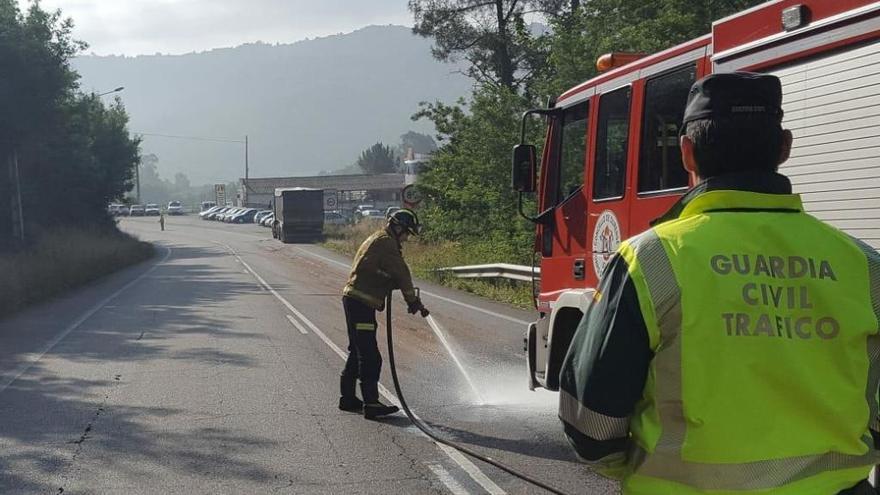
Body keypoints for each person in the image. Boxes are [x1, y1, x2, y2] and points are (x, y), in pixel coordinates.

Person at [558, 72, 880, 494]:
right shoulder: (863, 264)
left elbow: (591, 424)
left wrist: (641, 471)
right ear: (784, 147)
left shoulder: (650, 259)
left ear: (687, 154)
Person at [339, 208, 429, 420]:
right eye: (406, 233)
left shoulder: (378, 238)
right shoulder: (387, 243)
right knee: (370, 356)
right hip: (361, 303)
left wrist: (386, 279)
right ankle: (371, 404)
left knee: (357, 351)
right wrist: (413, 301)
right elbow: (403, 274)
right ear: (397, 227)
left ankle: (348, 399)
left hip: (355, 300)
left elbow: (374, 269)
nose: (406, 238)